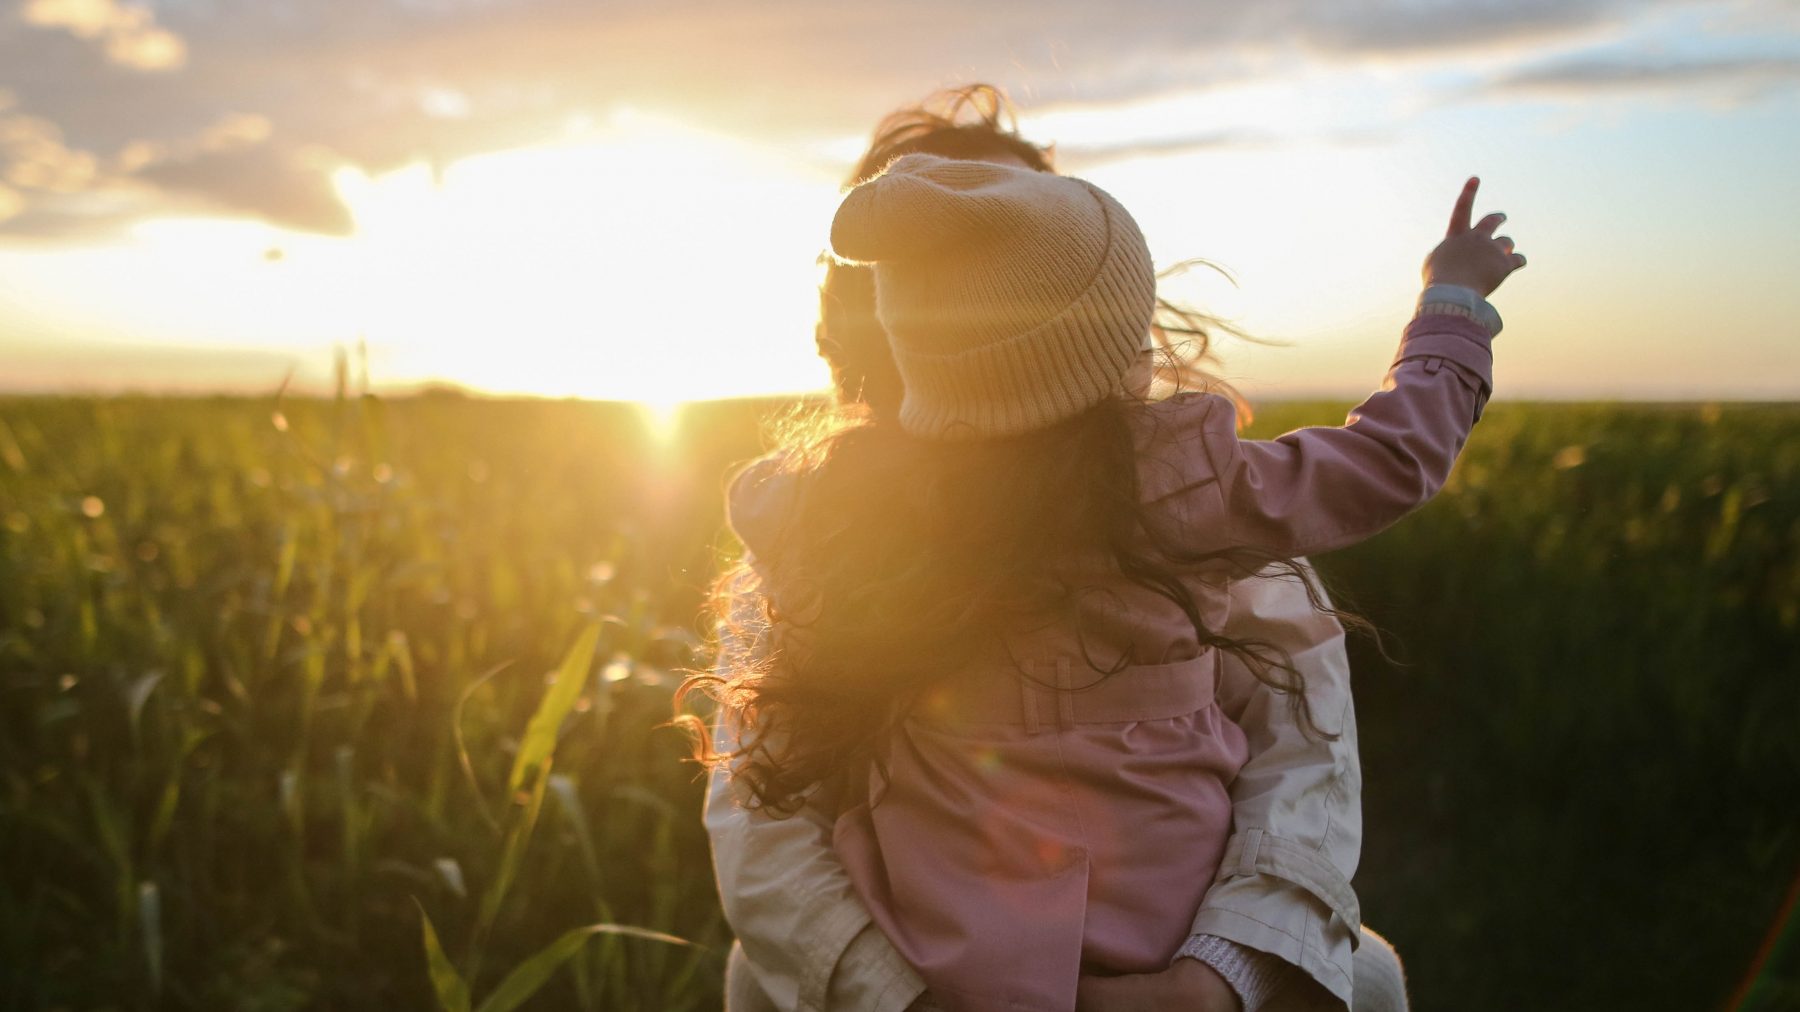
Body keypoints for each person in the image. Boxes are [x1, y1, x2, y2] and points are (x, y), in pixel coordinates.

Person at [688, 87, 1521, 1010]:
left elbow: (1301, 759)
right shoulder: (1191, 492)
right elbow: (764, 832)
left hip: (1111, 961)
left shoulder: (833, 507)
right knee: (757, 975)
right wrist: (1451, 309)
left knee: (1366, 976)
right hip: (927, 975)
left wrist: (1213, 981)